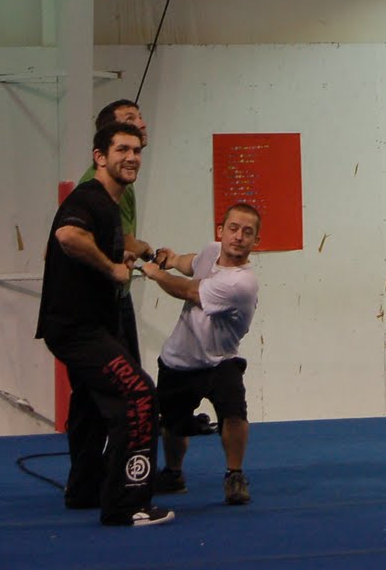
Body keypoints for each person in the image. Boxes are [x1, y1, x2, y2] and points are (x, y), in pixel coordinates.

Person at [36, 120, 174, 527]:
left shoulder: (111, 206)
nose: (131, 157)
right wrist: (111, 267)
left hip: (84, 326)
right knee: (139, 396)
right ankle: (125, 504)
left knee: (92, 406)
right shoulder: (91, 198)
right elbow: (67, 236)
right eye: (121, 150)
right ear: (100, 157)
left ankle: (84, 489)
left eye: (136, 151)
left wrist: (124, 260)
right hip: (78, 330)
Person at [140, 203, 262, 506]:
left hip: (221, 360)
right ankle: (173, 474)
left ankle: (235, 474)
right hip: (180, 358)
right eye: (233, 228)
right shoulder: (211, 251)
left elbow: (189, 291)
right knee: (172, 423)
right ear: (221, 231)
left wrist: (155, 273)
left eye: (247, 232)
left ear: (255, 242)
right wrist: (169, 259)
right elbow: (189, 263)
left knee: (234, 414)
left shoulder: (242, 283)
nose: (238, 237)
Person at [79, 99, 153, 364]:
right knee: (130, 390)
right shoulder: (97, 187)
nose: (141, 124)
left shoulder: (124, 183)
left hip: (115, 296)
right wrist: (145, 250)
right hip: (101, 302)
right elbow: (71, 236)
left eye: (140, 117)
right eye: (131, 119)